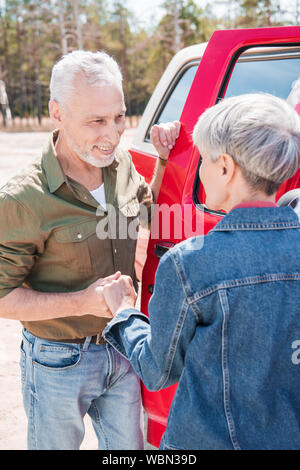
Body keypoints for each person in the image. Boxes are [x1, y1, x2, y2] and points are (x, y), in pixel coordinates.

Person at [0, 50, 180, 450]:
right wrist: (84, 300)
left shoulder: (123, 164)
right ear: (57, 113)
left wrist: (166, 160)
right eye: (96, 121)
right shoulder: (23, 198)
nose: (113, 134)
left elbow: (152, 217)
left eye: (119, 117)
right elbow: (2, 298)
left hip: (126, 346)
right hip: (58, 361)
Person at [101, 93, 300, 450]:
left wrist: (123, 313)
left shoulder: (190, 262)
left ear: (224, 167)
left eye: (205, 160)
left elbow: (157, 370)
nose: (202, 170)